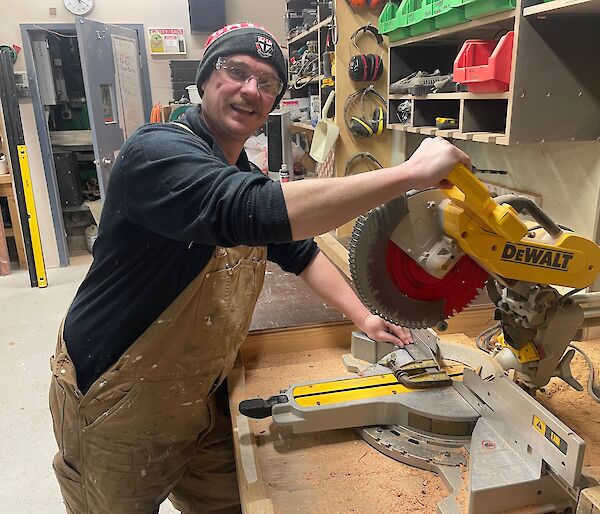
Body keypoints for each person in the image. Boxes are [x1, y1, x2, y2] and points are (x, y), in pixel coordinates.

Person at [49, 22, 471, 514]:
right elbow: (248, 210)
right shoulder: (157, 152)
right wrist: (408, 175)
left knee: (239, 504)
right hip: (114, 403)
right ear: (205, 80)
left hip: (199, 396)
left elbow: (299, 249)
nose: (250, 90)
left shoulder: (238, 173)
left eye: (267, 83)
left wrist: (363, 315)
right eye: (236, 71)